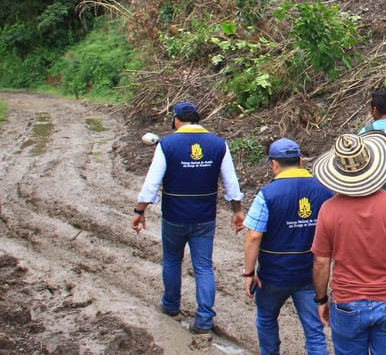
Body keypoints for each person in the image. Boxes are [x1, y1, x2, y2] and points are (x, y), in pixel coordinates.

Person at [310, 131, 386, 354]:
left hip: (347, 302)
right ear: (373, 165)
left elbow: (321, 262)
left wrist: (321, 300)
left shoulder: (329, 209)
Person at [131, 101, 245, 335]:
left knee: (172, 260)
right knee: (203, 267)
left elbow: (152, 183)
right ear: (198, 119)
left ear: (176, 120)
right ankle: (204, 319)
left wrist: (139, 211)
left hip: (174, 215)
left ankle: (171, 306)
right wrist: (237, 211)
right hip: (205, 217)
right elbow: (231, 183)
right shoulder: (219, 144)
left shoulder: (167, 145)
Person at [243, 137, 333, 355]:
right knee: (314, 330)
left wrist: (249, 272)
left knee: (266, 319)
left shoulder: (267, 194)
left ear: (274, 164)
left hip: (274, 274)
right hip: (309, 274)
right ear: (300, 161)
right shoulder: (324, 191)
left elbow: (254, 236)